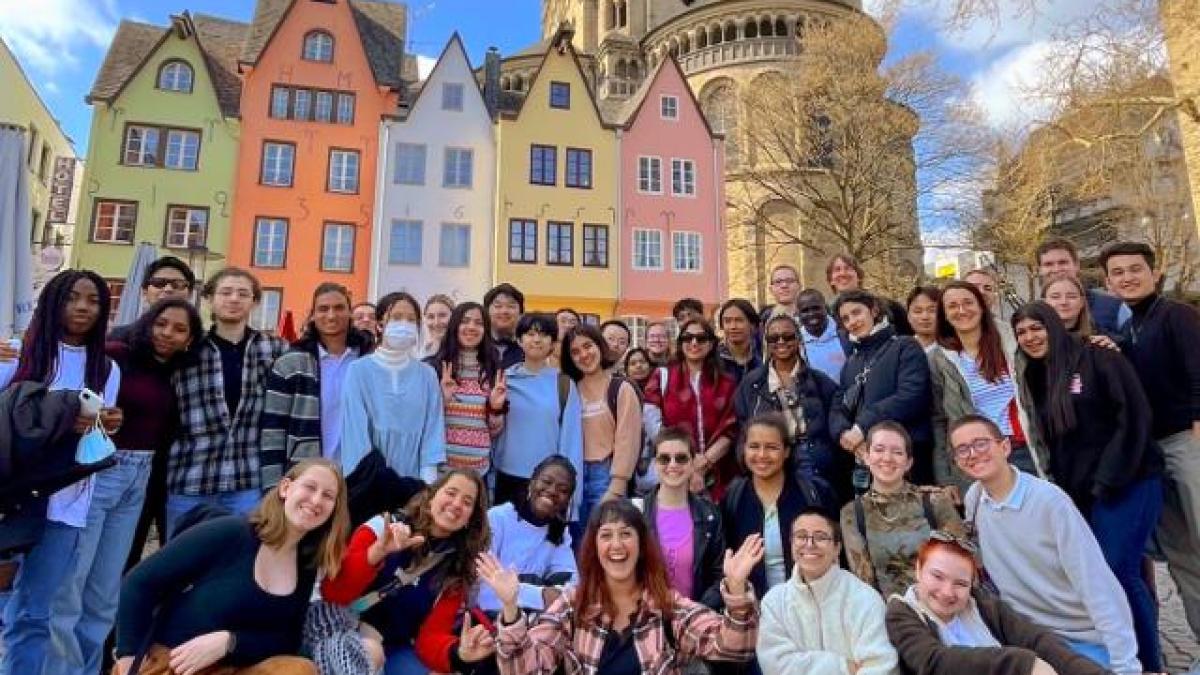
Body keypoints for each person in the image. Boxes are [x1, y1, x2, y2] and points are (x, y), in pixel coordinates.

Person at [1011, 301, 1165, 670]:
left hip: (1129, 480)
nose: (1031, 337)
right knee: (1097, 578)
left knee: (1118, 570)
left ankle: (1150, 662)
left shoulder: (1097, 356)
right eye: (1022, 332)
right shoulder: (1036, 375)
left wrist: (1107, 479)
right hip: (1083, 494)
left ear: (1054, 326)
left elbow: (1135, 416)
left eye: (1037, 328)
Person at [55, 298, 202, 675]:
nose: (168, 334)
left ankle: (89, 669)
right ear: (148, 321)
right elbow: (68, 374)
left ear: (190, 339)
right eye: (162, 323)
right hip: (102, 471)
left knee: (105, 593)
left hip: (141, 477)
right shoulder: (116, 353)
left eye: (180, 329)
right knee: (72, 587)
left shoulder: (177, 371)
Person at [113, 459, 350, 675]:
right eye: (309, 487)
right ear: (285, 488)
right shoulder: (231, 533)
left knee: (299, 670)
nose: (316, 500)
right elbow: (140, 582)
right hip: (173, 662)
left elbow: (286, 640)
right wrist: (128, 655)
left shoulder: (305, 564)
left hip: (230, 667)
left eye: (328, 496)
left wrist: (228, 642)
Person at [0, 270, 123, 675]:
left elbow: (95, 443)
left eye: (93, 300)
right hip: (11, 498)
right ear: (53, 301)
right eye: (73, 298)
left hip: (67, 504)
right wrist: (57, 417)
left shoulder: (106, 370)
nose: (83, 307)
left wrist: (108, 425)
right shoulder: (16, 355)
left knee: (34, 615)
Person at [484, 499, 764, 675]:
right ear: (594, 548)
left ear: (642, 546)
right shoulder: (571, 606)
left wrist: (737, 591)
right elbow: (522, 669)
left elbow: (734, 648)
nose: (616, 545)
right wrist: (510, 608)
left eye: (626, 534)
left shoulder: (668, 606)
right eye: (606, 535)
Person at [951, 414, 1140, 673]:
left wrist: (1126, 665)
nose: (972, 453)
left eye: (981, 443)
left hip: (1079, 640)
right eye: (963, 449)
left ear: (1005, 446)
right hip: (1027, 640)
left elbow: (1097, 585)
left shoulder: (1049, 502)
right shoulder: (974, 500)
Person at [1102, 240, 1200, 639]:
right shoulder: (1130, 328)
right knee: (1183, 559)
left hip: (1187, 441)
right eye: (1118, 273)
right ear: (1108, 284)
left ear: (1154, 273)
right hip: (1156, 453)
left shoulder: (1178, 315)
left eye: (1135, 269)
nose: (1128, 277)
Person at [322, 470, 491, 675]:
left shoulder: (456, 569)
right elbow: (334, 592)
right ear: (431, 496)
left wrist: (459, 654)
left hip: (396, 648)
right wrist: (377, 552)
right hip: (342, 628)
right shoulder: (382, 528)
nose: (456, 504)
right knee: (369, 655)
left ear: (470, 519)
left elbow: (430, 638)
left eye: (467, 502)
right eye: (451, 492)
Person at [165, 267, 287, 536]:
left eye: (243, 294)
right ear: (209, 298)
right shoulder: (187, 348)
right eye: (226, 292)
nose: (234, 299)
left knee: (241, 562)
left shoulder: (274, 349)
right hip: (191, 477)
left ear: (254, 302)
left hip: (247, 479)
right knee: (178, 565)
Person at [886, 533, 1110, 675]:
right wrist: (1021, 663)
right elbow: (933, 662)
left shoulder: (980, 604)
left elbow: (1037, 640)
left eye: (960, 583)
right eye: (937, 576)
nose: (947, 592)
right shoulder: (902, 612)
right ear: (918, 570)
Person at [757, 508, 898, 675]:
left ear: (837, 548)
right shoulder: (774, 602)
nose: (809, 544)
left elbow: (881, 665)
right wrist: (842, 667)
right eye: (801, 536)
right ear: (791, 543)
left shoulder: (865, 599)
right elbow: (775, 666)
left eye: (820, 537)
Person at [928, 281, 1038, 492]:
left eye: (968, 302)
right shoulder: (938, 359)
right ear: (944, 314)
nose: (961, 310)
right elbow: (939, 420)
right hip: (974, 457)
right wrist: (947, 478)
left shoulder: (1011, 341)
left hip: (1021, 448)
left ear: (981, 306)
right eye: (952, 306)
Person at [261, 283, 372, 488]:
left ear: (350, 313)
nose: (331, 315)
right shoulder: (290, 363)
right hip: (306, 473)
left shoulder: (369, 360)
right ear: (312, 315)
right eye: (323, 309)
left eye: (339, 308)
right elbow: (273, 429)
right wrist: (272, 487)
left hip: (360, 474)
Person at [839, 422, 964, 598]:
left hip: (944, 603)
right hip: (892, 613)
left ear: (908, 463)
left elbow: (962, 563)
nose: (887, 458)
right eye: (879, 449)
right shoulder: (852, 513)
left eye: (897, 452)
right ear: (866, 456)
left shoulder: (934, 501)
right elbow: (864, 582)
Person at [829, 290, 932, 488]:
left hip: (906, 460)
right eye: (846, 318)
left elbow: (911, 396)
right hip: (864, 459)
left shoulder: (905, 346)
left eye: (857, 313)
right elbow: (838, 405)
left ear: (874, 310)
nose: (852, 321)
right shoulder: (852, 362)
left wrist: (862, 426)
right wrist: (844, 434)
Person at [733, 314, 842, 498]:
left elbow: (834, 425)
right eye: (773, 338)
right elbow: (742, 426)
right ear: (766, 342)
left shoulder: (820, 382)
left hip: (812, 463)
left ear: (798, 338)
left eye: (788, 336)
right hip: (768, 459)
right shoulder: (751, 383)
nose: (781, 341)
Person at [720, 413, 829, 597]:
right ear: (744, 449)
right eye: (754, 446)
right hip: (753, 610)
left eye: (771, 447)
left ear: (786, 451)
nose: (762, 455)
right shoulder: (733, 497)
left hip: (810, 603)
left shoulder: (813, 493)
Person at [340, 304, 445, 485]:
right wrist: (369, 481)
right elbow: (355, 434)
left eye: (411, 319)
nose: (404, 324)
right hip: (369, 480)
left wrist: (426, 483)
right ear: (380, 324)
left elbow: (432, 431)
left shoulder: (427, 374)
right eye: (396, 317)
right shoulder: (358, 370)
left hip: (414, 481)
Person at [492, 313, 583, 514]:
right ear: (519, 340)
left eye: (543, 335)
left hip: (548, 484)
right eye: (530, 334)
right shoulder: (503, 379)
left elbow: (571, 441)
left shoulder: (564, 384)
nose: (536, 339)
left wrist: (572, 497)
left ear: (552, 342)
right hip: (506, 478)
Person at [559, 325, 643, 534]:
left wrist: (617, 485)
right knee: (577, 543)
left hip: (606, 475)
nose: (584, 355)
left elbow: (628, 439)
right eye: (575, 352)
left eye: (588, 346)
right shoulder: (569, 389)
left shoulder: (621, 388)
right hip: (573, 477)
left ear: (600, 345)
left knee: (605, 539)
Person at [644, 319, 739, 500]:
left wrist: (703, 463)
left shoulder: (727, 383)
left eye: (701, 338)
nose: (694, 343)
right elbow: (652, 422)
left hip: (719, 474)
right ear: (680, 343)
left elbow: (731, 427)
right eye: (688, 338)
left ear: (711, 344)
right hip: (673, 470)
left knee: (713, 524)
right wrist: (685, 461)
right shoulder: (662, 376)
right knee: (676, 526)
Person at [479, 456, 579, 615]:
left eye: (563, 490)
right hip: (487, 619)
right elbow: (481, 590)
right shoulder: (497, 518)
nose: (553, 491)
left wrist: (522, 589)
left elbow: (571, 585)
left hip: (533, 623)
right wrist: (540, 594)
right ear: (532, 482)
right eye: (546, 481)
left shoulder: (560, 532)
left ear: (568, 501)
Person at [642, 427, 726, 608]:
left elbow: (719, 575)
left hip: (695, 622)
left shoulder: (710, 515)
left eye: (681, 458)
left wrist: (697, 612)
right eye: (664, 459)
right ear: (655, 463)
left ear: (693, 462)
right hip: (648, 621)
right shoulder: (637, 513)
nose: (672, 465)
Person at [426, 302, 506, 476]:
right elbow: (422, 424)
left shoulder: (493, 370)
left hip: (478, 473)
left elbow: (494, 432)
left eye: (479, 323)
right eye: (465, 321)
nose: (471, 327)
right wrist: (443, 401)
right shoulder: (433, 367)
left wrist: (495, 409)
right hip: (438, 472)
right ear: (455, 326)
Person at [1037, 237, 1129, 335]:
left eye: (1063, 262)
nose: (1056, 269)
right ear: (1039, 270)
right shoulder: (1034, 314)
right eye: (1048, 264)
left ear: (1077, 265)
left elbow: (1134, 347)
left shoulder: (1114, 307)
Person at [107, 256, 197, 342]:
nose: (168, 289)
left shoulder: (201, 344)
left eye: (178, 284)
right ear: (145, 291)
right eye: (158, 283)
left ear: (190, 293)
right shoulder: (119, 338)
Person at [826, 253, 913, 336]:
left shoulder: (890, 307)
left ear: (859, 276)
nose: (843, 273)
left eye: (848, 268)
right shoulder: (827, 316)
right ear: (831, 280)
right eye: (837, 270)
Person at [797, 288, 850, 384]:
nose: (811, 314)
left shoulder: (846, 332)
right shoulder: (796, 342)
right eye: (805, 311)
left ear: (825, 308)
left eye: (816, 308)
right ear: (798, 314)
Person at [716, 298, 763, 386]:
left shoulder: (763, 356)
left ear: (752, 325)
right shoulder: (713, 359)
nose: (733, 326)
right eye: (727, 321)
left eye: (739, 320)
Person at [484, 284, 525, 370]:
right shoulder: (477, 345)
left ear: (521, 314)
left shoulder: (528, 348)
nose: (504, 311)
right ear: (486, 312)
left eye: (511, 306)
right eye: (498, 306)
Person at [906, 286, 941, 353]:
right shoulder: (900, 350)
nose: (925, 317)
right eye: (918, 311)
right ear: (908, 317)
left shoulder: (953, 352)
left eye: (932, 310)